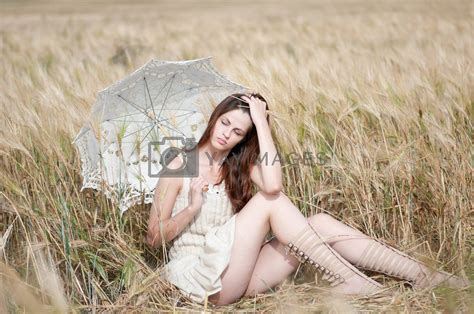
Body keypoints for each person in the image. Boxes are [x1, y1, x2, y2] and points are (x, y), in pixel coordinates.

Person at [146, 92, 469, 306]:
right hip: (205, 280)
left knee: (320, 223)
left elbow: (273, 185)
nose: (226, 133)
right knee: (270, 204)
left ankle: (432, 278)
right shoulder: (180, 163)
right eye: (225, 122)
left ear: (246, 137)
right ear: (214, 118)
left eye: (238, 131)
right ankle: (355, 282)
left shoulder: (237, 164)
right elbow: (154, 238)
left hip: (239, 269)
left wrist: (261, 122)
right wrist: (192, 207)